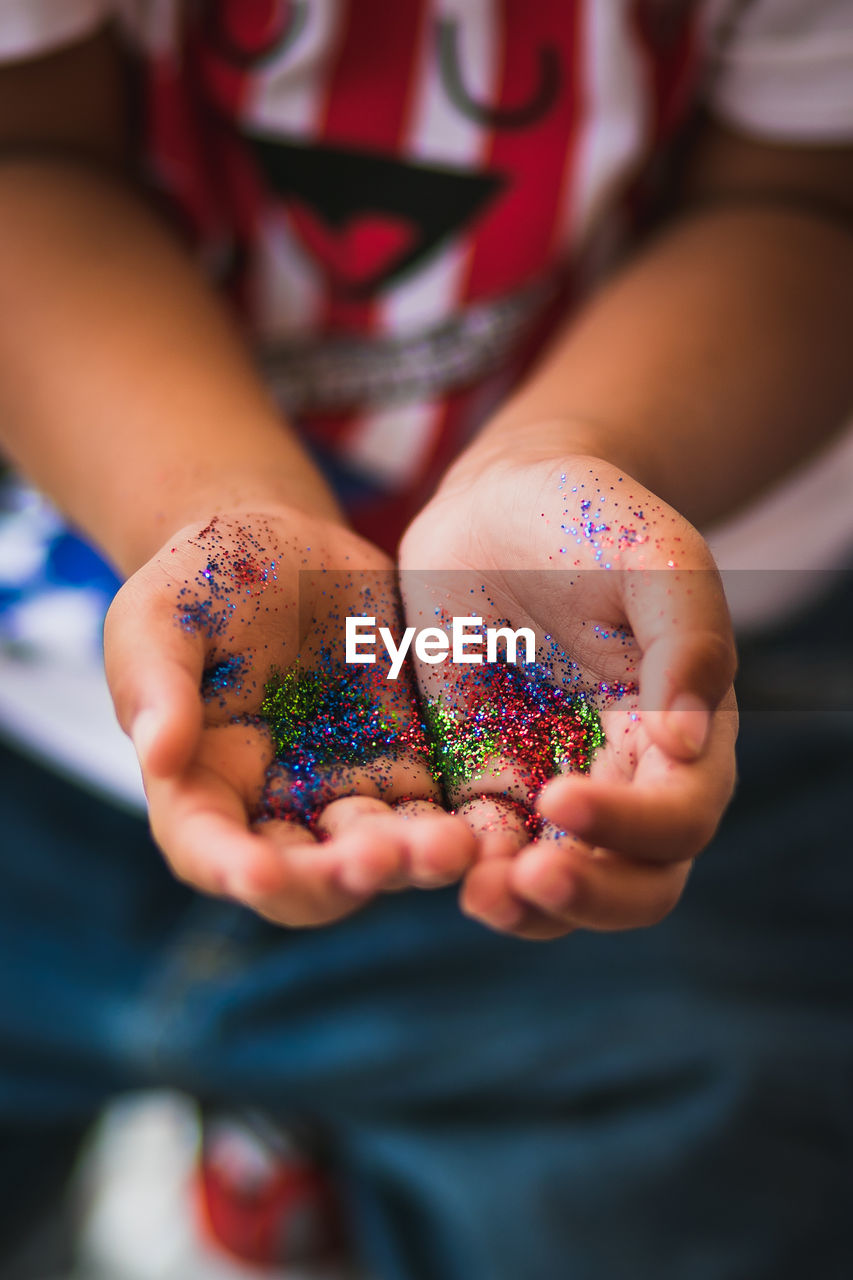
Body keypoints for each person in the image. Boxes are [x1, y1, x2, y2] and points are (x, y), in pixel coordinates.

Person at [0, 1, 851, 1276]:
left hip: (649, 704)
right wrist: (220, 510)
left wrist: (562, 461)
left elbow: (806, 206)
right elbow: (30, 163)